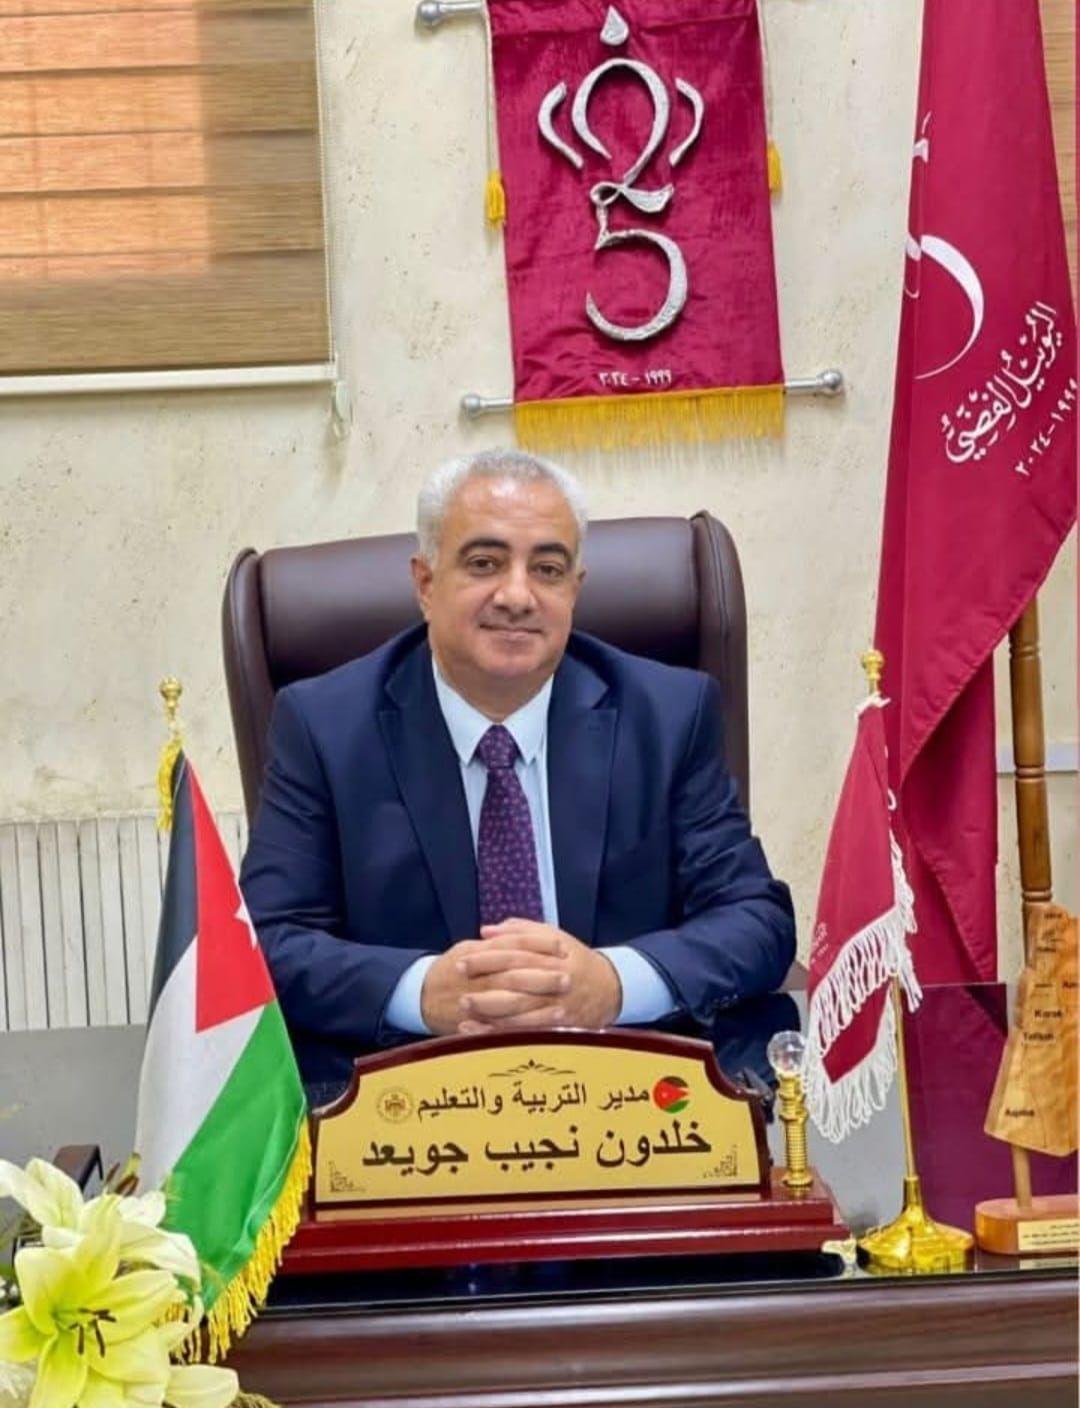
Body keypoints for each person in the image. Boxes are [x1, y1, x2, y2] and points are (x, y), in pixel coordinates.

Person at [239, 449, 795, 1100]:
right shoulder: (324, 725)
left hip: (627, 1097)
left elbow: (756, 920)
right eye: (484, 563)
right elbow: (266, 941)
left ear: (575, 590)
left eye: (548, 569)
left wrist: (613, 985)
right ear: (425, 583)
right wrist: (421, 992)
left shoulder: (668, 714)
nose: (516, 595)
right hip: (411, 1104)